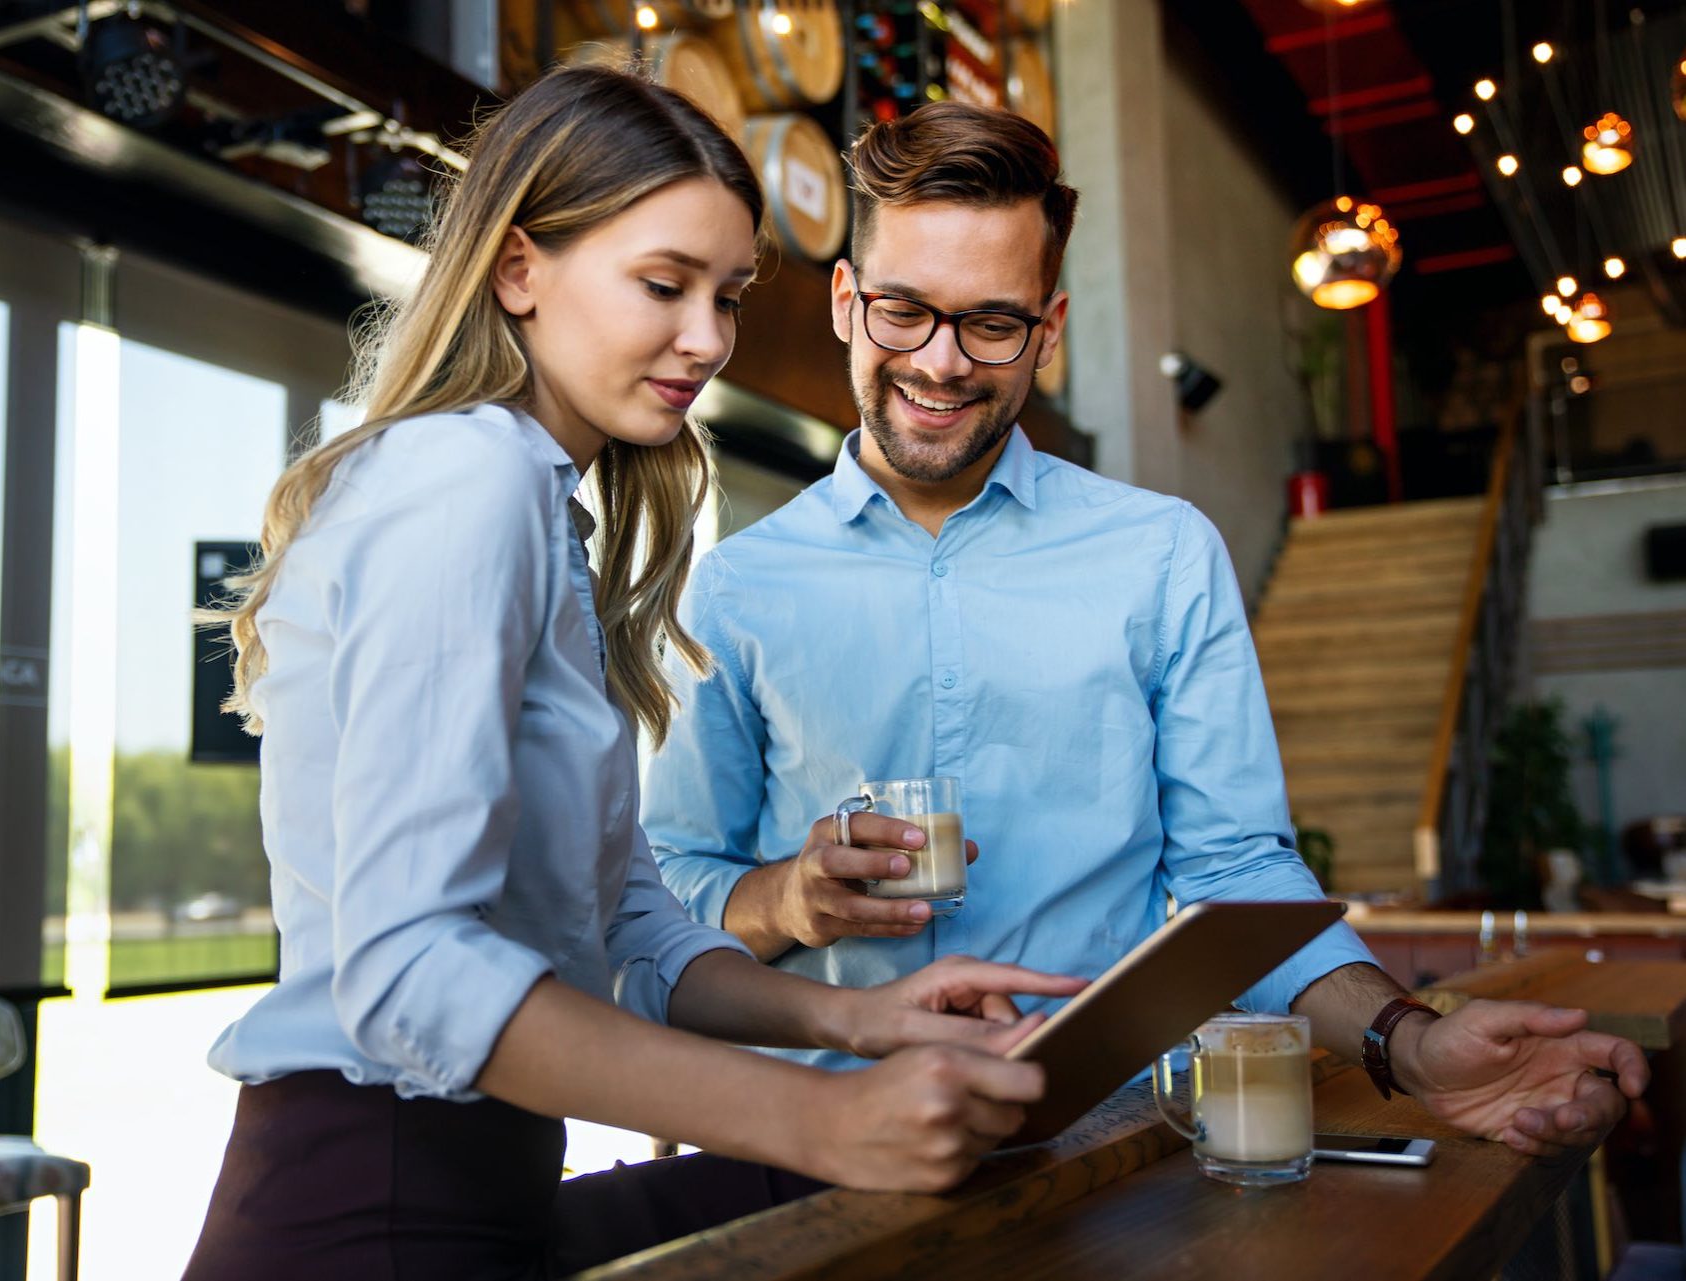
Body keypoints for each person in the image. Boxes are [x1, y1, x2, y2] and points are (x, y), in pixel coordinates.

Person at [181, 68, 1090, 1281]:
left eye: (726, 296)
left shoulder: (545, 513)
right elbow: (409, 972)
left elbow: (624, 924)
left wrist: (857, 1020)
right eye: (664, 287)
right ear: (518, 270)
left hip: (470, 1188)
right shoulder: (469, 479)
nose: (709, 339)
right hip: (374, 1201)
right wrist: (823, 1116)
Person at [643, 100, 1647, 1155]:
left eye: (991, 321)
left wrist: (1408, 1038)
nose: (940, 363)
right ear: (848, 302)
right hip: (813, 1145)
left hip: (1103, 1146)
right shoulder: (734, 586)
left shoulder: (1160, 554)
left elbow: (1234, 878)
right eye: (903, 310)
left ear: (1051, 328)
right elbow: (669, 889)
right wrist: (788, 900)